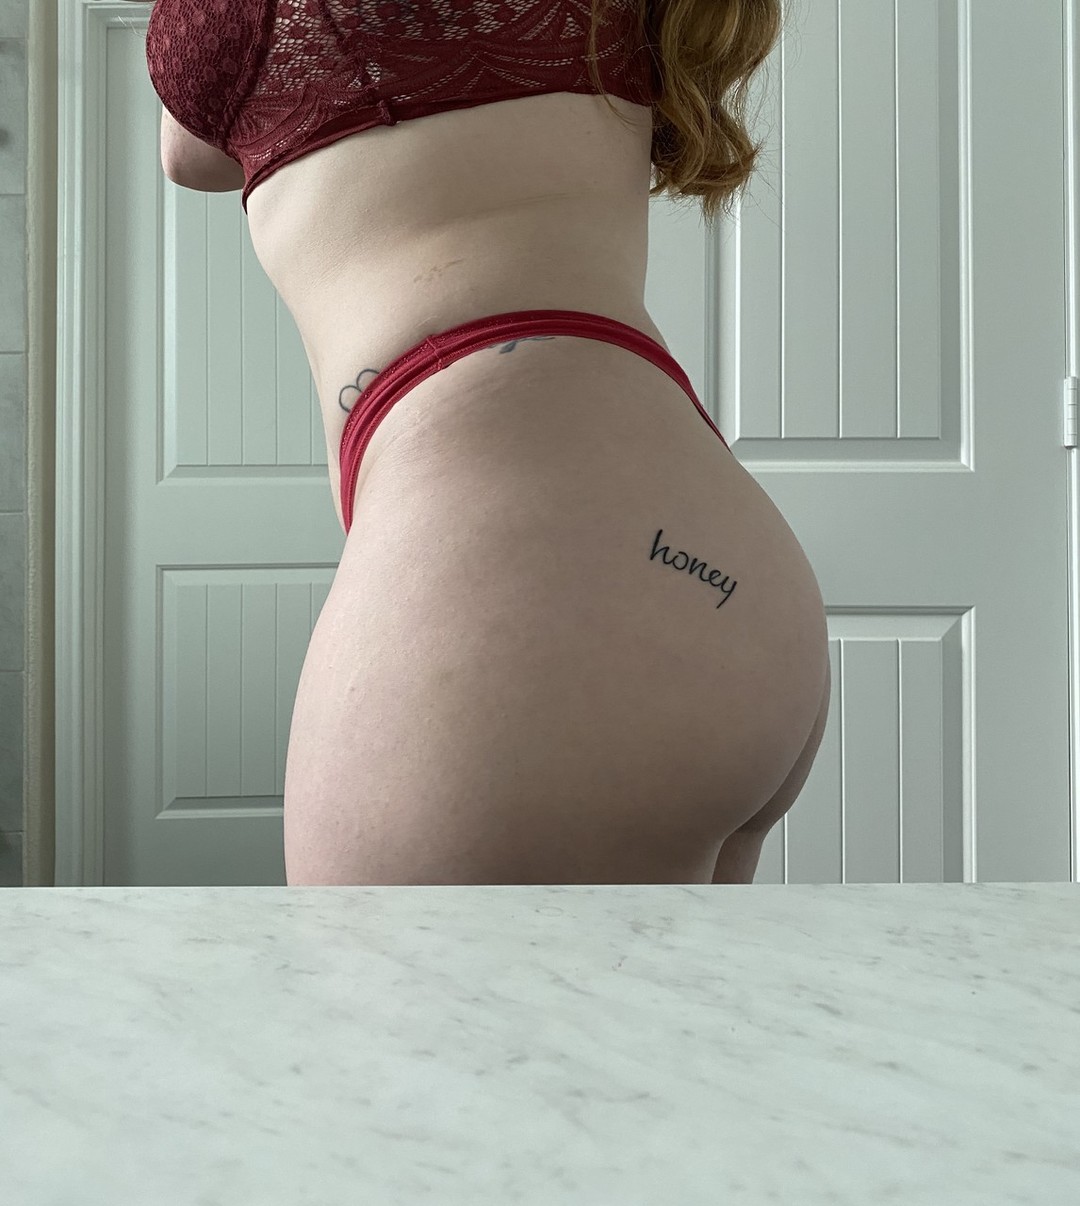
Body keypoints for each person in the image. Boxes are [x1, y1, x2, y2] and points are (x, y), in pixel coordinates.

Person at [143, 0, 830, 885]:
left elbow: (188, 136)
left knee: (377, 979)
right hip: (715, 562)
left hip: (533, 597)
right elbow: (198, 134)